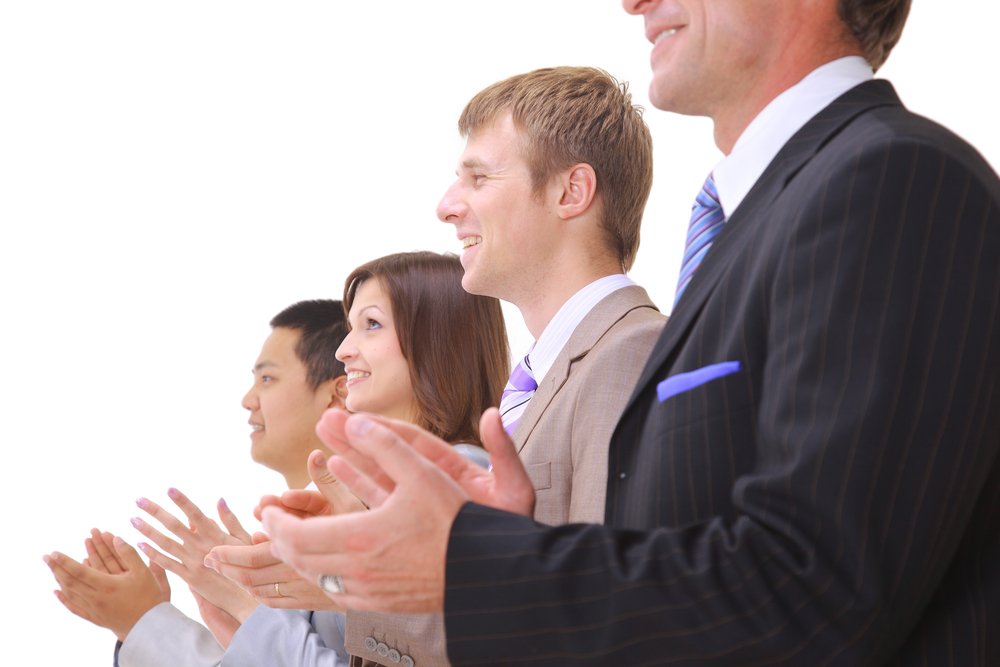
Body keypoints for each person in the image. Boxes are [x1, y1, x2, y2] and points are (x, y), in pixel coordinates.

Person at [251, 0, 1000, 664]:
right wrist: (504, 534)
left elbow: (817, 586)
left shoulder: (890, 178)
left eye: (480, 178)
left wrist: (474, 560)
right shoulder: (762, 224)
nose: (632, 1)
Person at [209, 67, 665, 667]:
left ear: (570, 192)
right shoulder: (545, 380)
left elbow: (607, 623)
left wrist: (362, 588)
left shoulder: (628, 355)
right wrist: (370, 552)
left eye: (478, 177)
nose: (448, 207)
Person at [206, 251, 511, 667]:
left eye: (371, 325)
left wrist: (255, 610)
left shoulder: (462, 476)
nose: (345, 350)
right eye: (351, 329)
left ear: (438, 340)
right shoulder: (370, 485)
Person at [45, 299, 354, 665]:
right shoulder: (311, 529)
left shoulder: (373, 529)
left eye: (267, 379)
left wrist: (248, 603)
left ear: (338, 392)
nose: (247, 400)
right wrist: (140, 623)